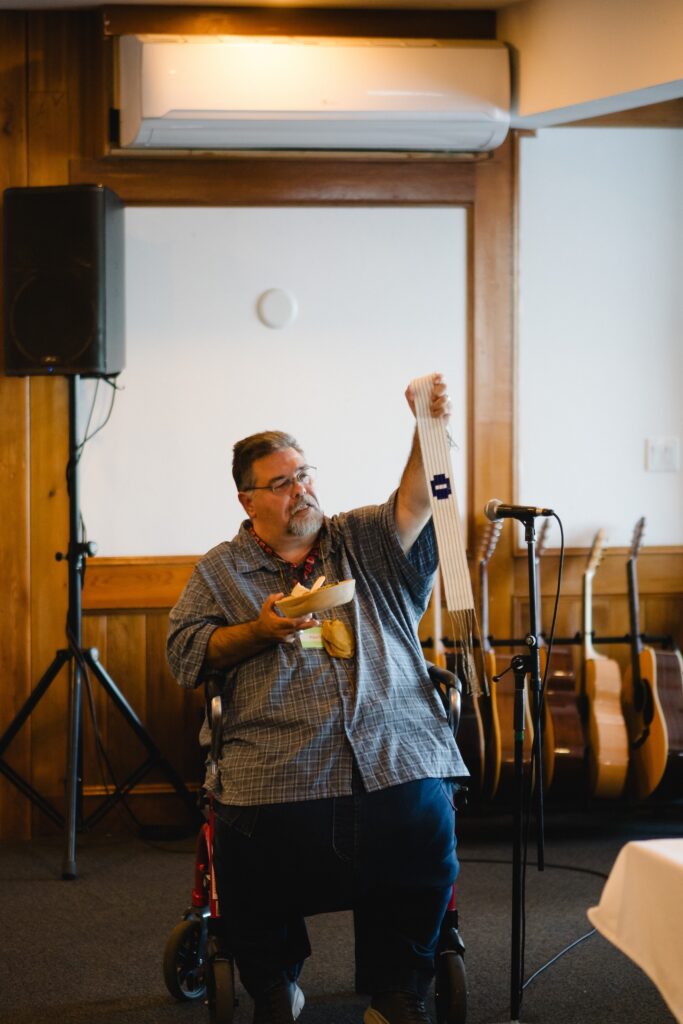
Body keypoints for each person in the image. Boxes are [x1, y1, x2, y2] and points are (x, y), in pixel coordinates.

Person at [167, 373, 469, 1024]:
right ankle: (275, 988)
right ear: (248, 501)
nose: (301, 489)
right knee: (249, 856)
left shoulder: (363, 539)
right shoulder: (220, 572)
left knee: (423, 835)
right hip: (275, 765)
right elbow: (184, 653)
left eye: (304, 474)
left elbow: (419, 499)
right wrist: (259, 631)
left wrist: (425, 424)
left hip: (394, 753)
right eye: (281, 482)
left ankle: (396, 992)